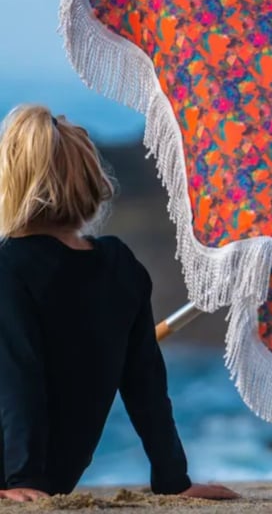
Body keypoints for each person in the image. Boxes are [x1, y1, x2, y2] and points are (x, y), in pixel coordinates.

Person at [0, 105, 239, 502]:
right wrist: (172, 478)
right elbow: (146, 384)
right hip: (56, 474)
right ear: (92, 184)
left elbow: (18, 375)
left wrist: (21, 478)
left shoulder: (8, 266)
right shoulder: (119, 264)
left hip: (18, 475)